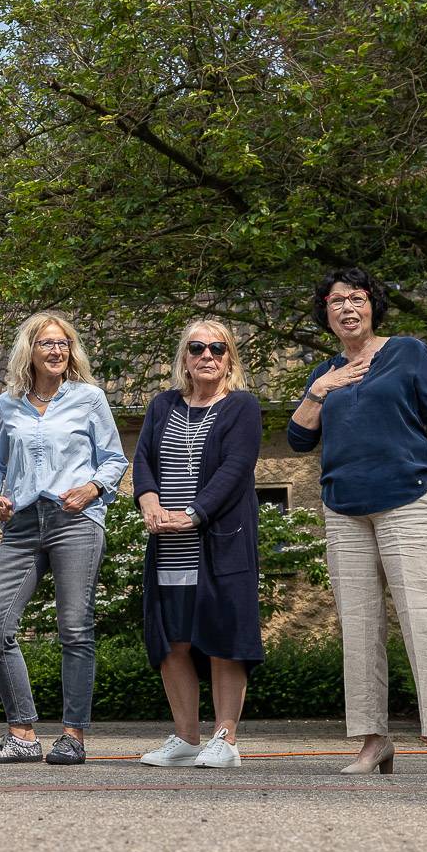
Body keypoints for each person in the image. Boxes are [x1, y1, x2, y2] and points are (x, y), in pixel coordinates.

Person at [288, 267, 427, 775]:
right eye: (335, 301)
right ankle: (374, 741)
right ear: (325, 314)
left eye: (356, 298)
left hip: (406, 498)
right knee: (359, 627)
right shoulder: (323, 372)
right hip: (344, 509)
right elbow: (299, 440)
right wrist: (319, 390)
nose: (347, 308)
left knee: (423, 616)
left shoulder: (407, 351)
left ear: (373, 305)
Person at [0, 311, 128, 767]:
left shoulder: (89, 399)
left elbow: (114, 460)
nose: (56, 350)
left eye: (63, 343)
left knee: (74, 628)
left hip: (74, 518)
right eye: (47, 344)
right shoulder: (8, 404)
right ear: (30, 353)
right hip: (20, 523)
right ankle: (21, 734)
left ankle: (73, 735)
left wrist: (92, 488)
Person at [132, 320, 263, 769]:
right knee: (174, 641)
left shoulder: (241, 406)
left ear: (230, 360)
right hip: (168, 545)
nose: (207, 355)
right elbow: (144, 459)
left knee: (224, 639)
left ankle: (225, 740)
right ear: (184, 358)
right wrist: (148, 500)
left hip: (220, 542)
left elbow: (235, 468)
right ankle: (187, 738)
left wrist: (193, 514)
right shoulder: (162, 404)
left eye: (217, 348)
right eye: (197, 348)